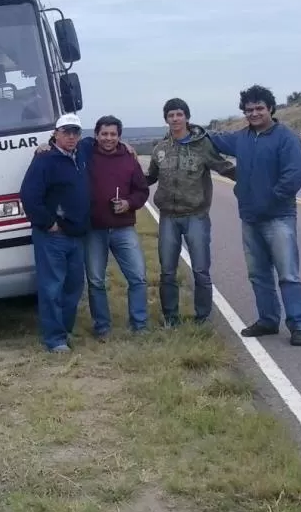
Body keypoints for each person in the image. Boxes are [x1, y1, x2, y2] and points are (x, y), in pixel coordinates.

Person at [206, 85, 301, 346]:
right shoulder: (242, 138)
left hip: (278, 216)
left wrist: (271, 198)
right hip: (250, 218)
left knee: (288, 274)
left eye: (259, 108)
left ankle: (298, 325)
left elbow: (296, 173)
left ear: (270, 109)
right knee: (258, 274)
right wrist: (193, 129)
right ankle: (268, 320)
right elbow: (216, 140)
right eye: (249, 109)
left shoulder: (286, 138)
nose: (254, 113)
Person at [146, 98, 236, 327]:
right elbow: (149, 177)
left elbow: (224, 167)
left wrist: (255, 176)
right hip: (168, 217)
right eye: (170, 115)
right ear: (165, 119)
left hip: (196, 216)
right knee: (167, 272)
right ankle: (171, 318)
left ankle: (203, 318)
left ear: (186, 116)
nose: (175, 119)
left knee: (201, 271)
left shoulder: (202, 145)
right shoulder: (160, 149)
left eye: (179, 114)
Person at [19, 113, 91, 353]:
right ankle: (55, 339)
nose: (71, 136)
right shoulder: (44, 160)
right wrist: (49, 223)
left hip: (76, 235)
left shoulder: (81, 155)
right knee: (51, 287)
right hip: (52, 236)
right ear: (56, 134)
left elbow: (107, 143)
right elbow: (29, 196)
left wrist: (127, 146)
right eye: (66, 132)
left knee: (74, 285)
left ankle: (65, 330)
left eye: (75, 132)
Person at [82, 115, 150, 339]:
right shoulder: (85, 153)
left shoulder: (129, 158)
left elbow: (142, 191)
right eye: (104, 134)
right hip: (94, 229)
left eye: (113, 134)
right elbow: (62, 143)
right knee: (95, 280)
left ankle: (139, 325)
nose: (108, 138)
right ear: (96, 135)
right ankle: (102, 327)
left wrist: (129, 203)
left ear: (120, 136)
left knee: (138, 277)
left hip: (123, 228)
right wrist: (46, 144)